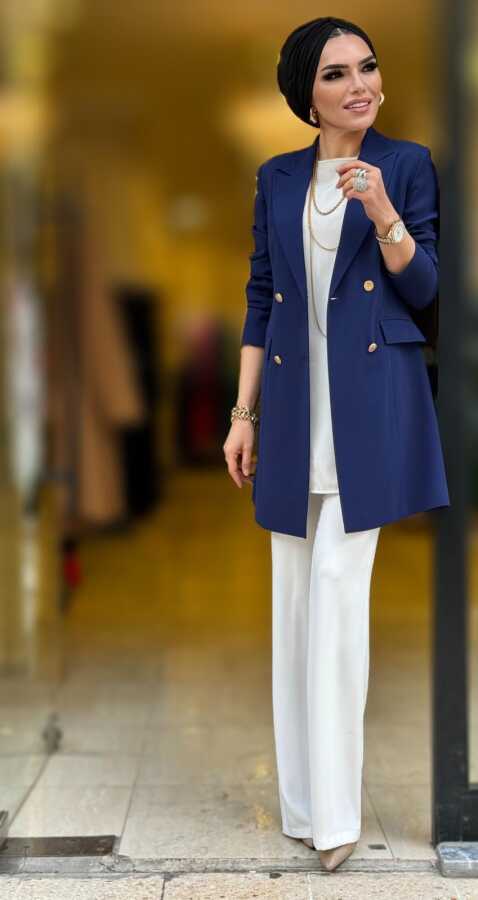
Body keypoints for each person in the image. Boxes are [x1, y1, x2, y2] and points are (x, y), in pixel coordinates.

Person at [223, 16, 450, 872]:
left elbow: (425, 287)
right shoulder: (277, 177)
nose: (360, 85)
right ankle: (303, 803)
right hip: (291, 410)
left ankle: (339, 818)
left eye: (368, 67)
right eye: (336, 74)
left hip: (370, 408)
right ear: (306, 96)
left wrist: (384, 211)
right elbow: (261, 296)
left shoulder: (407, 165)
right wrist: (242, 415)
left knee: (337, 599)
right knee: (292, 607)